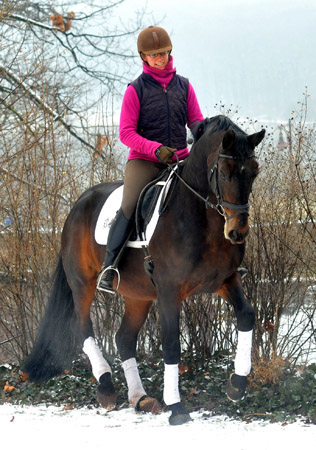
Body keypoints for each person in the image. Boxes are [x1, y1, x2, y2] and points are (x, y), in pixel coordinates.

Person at [97, 26, 204, 293]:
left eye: (164, 53)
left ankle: (222, 261)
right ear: (143, 57)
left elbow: (196, 122)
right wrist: (155, 149)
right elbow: (125, 133)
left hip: (180, 158)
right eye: (154, 55)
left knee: (209, 195)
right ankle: (109, 268)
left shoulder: (184, 86)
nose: (160, 58)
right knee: (130, 205)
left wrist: (206, 132)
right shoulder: (136, 90)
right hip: (145, 161)